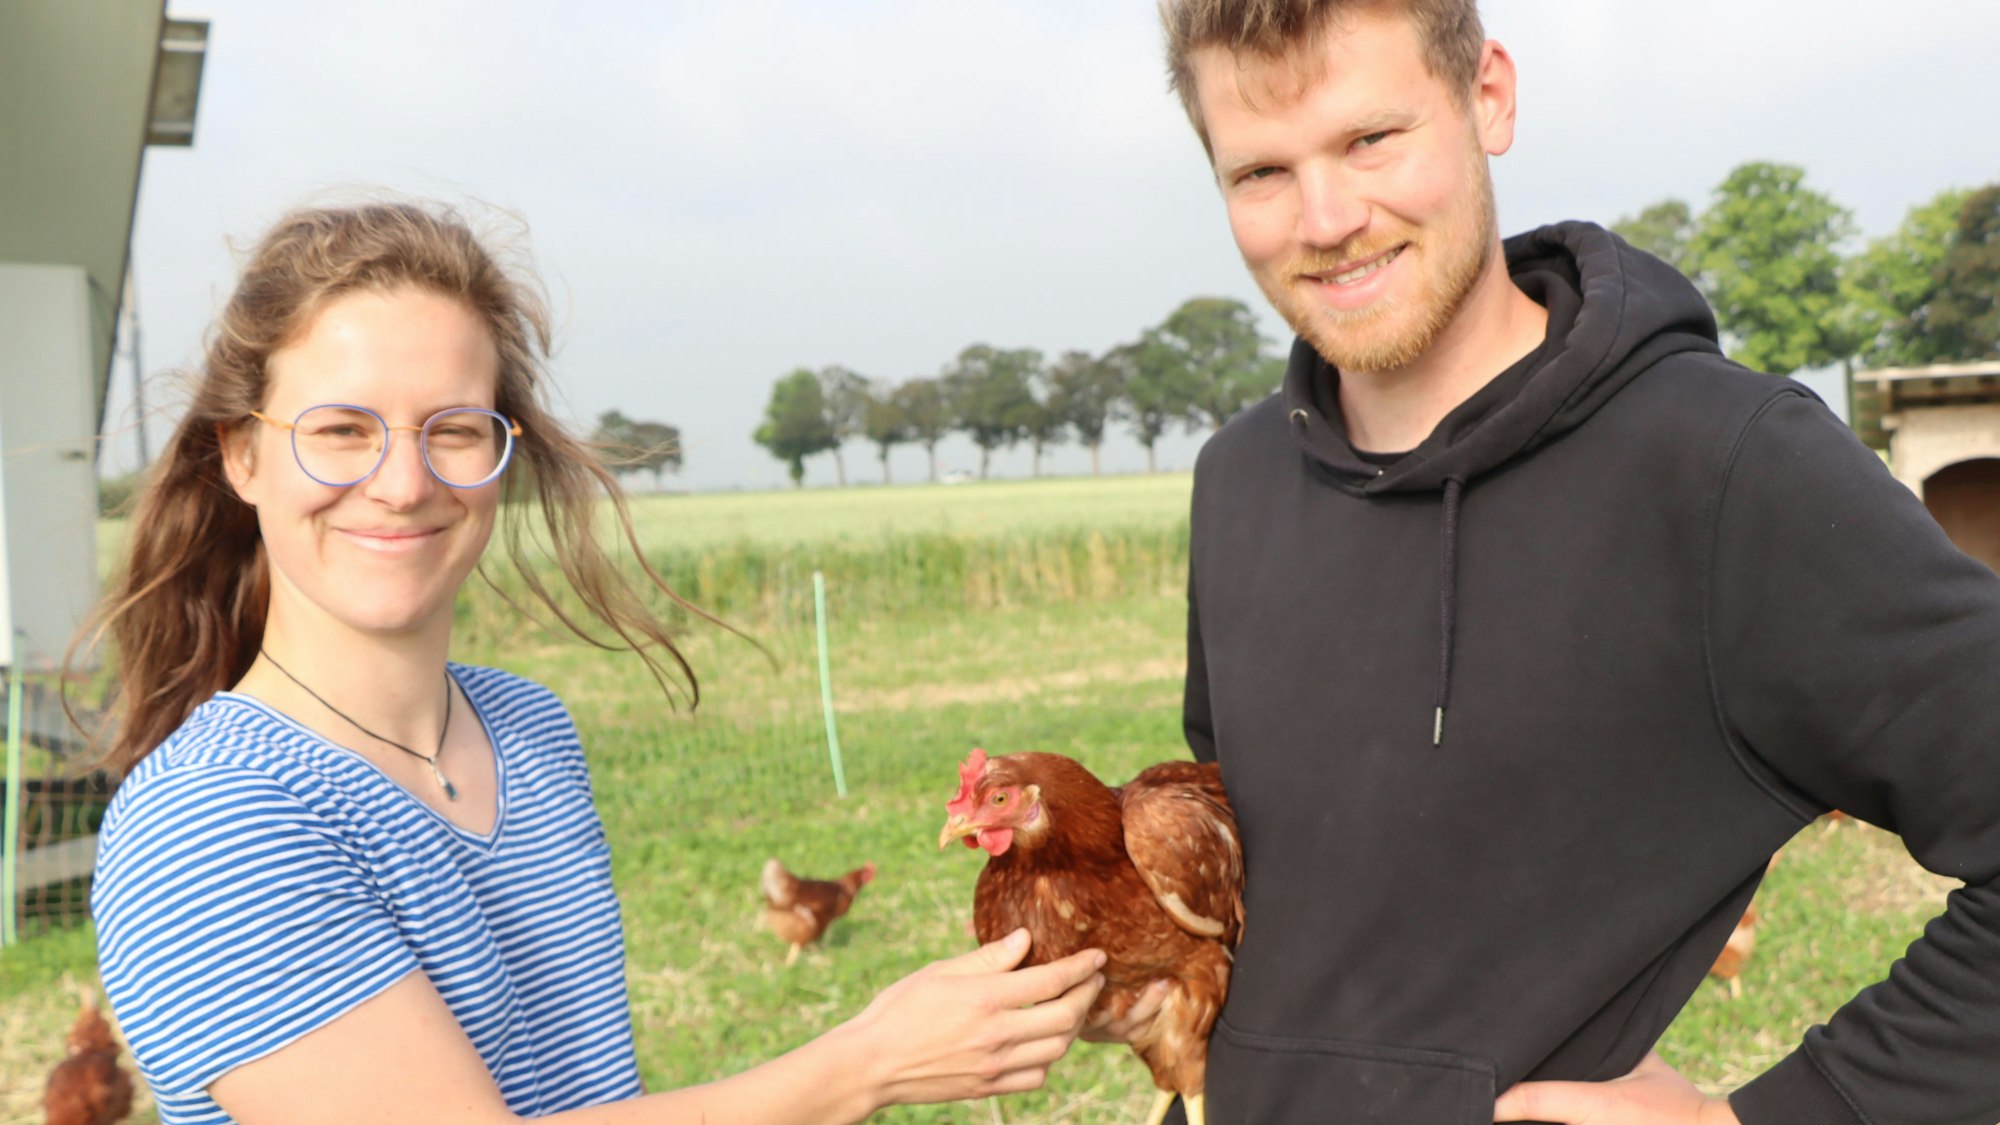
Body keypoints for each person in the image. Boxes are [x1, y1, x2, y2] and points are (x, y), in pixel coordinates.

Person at [85, 200, 1111, 1125]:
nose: (400, 483)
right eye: (341, 431)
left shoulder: (525, 731)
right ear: (241, 453)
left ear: (505, 455)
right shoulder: (208, 823)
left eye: (454, 429)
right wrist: (866, 1062)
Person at [1155, 2, 2000, 1124]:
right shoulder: (1239, 479)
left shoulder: (1718, 466)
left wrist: (1772, 1119)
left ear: (1487, 96)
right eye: (1259, 171)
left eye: (1370, 140)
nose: (1325, 217)